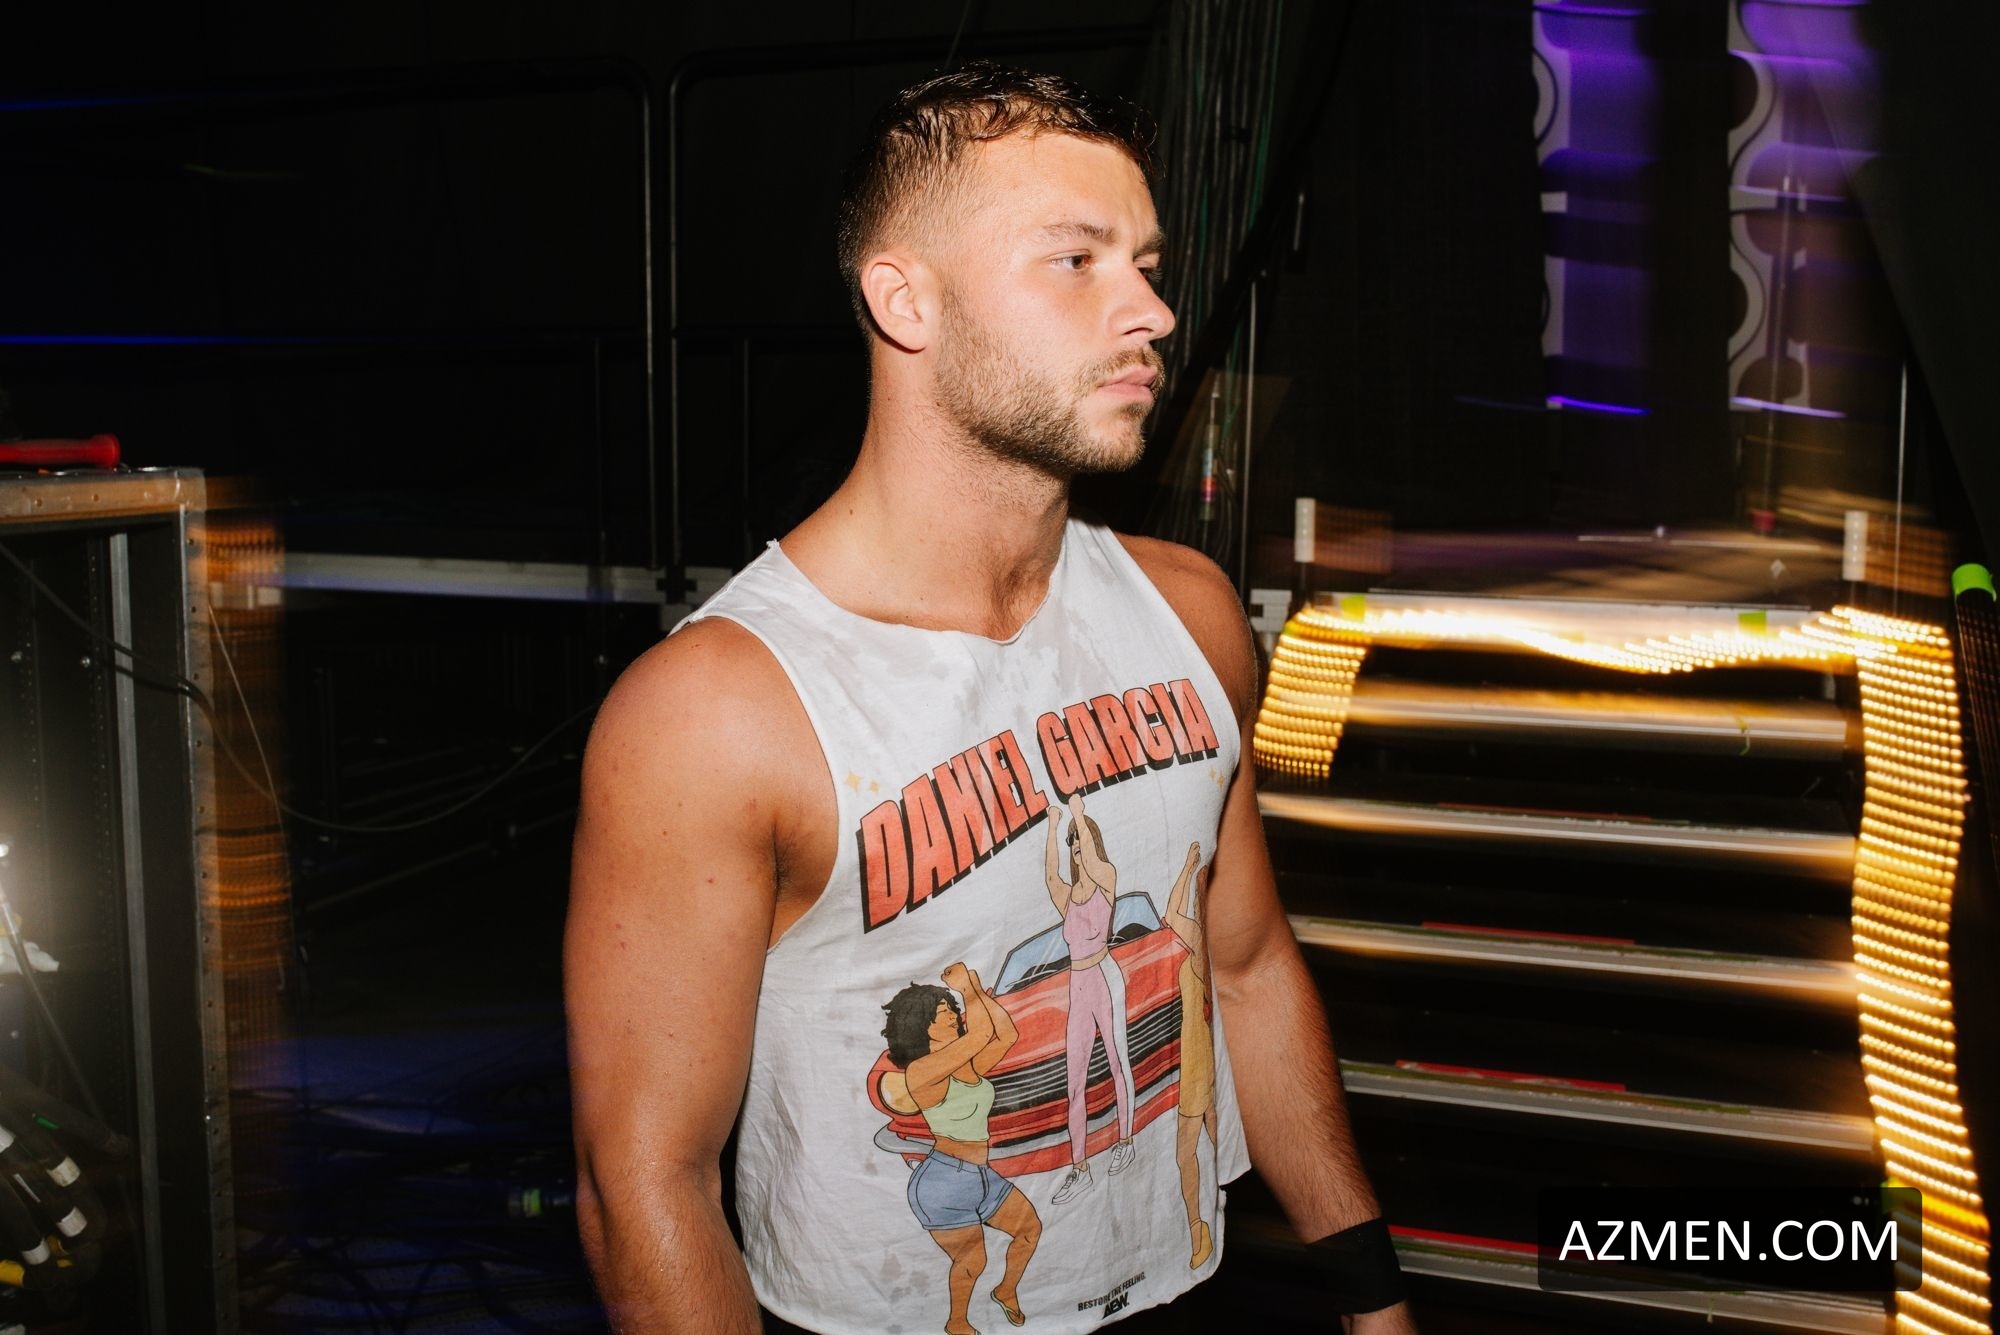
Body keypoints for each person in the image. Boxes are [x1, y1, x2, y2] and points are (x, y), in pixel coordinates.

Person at [566, 62, 1414, 1334]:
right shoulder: (718, 711)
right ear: (904, 301)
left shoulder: (1187, 615)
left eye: (1145, 263)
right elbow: (643, 1179)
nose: (1151, 310)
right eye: (1074, 260)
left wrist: (1371, 1295)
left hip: (1190, 1297)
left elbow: (1240, 967)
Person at [879, 964, 1043, 1334]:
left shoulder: (965, 1065)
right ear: (921, 1026)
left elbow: (1006, 1035)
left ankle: (1006, 1291)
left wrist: (978, 993)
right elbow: (982, 1033)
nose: (953, 1016)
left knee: (1029, 1229)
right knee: (973, 1259)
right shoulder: (920, 1072)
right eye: (941, 1014)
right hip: (944, 1182)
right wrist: (967, 990)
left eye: (951, 1009)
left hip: (981, 1174)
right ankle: (957, 1323)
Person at [1042, 792, 1138, 1203]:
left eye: (1082, 843)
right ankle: (1079, 1167)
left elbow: (1096, 864)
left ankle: (1125, 1140)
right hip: (1077, 985)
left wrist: (1079, 817)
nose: (1077, 851)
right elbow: (1051, 876)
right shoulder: (1068, 898)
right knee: (1075, 1080)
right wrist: (1053, 826)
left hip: (1104, 974)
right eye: (1073, 847)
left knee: (1117, 1061)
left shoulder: (1106, 879)